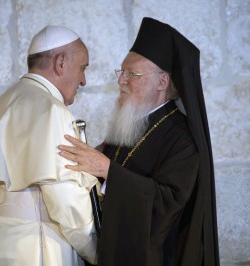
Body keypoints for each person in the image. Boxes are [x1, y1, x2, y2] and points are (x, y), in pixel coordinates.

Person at [58, 17, 219, 266]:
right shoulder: (130, 123)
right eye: (121, 72)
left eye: (132, 73)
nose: (121, 80)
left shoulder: (182, 139)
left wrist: (106, 169)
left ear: (162, 82)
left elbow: (169, 202)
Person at [0, 25, 98, 265]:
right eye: (83, 68)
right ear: (61, 62)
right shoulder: (52, 110)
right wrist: (98, 251)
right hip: (28, 247)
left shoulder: (2, 104)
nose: (83, 80)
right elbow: (67, 204)